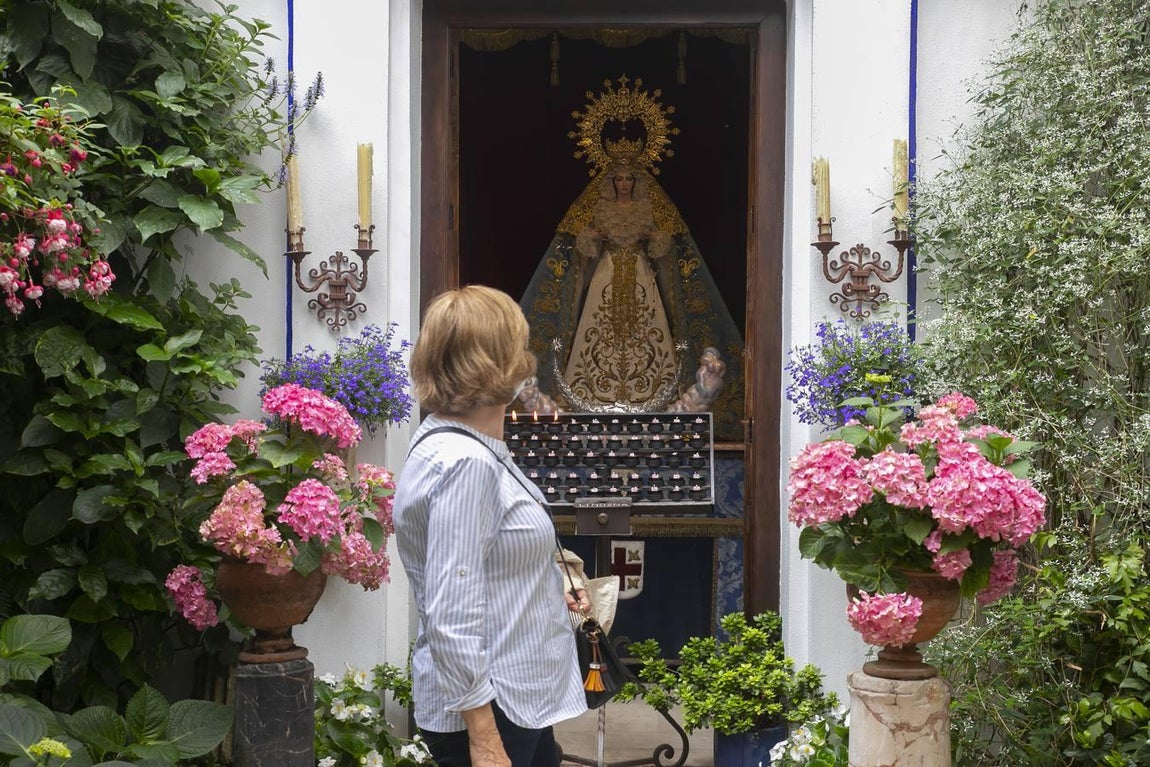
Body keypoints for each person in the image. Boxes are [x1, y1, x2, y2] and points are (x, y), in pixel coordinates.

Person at [393, 285, 589, 767]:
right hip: (490, 709)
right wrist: (484, 739)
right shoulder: (466, 463)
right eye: (519, 347)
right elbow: (451, 612)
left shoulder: (451, 443)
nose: (528, 359)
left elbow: (478, 567)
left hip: (515, 699)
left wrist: (542, 588)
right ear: (500, 363)